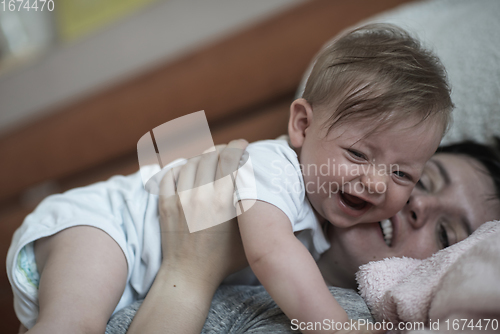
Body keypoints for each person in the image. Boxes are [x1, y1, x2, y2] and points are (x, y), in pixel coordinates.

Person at [8, 23, 453, 334]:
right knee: (73, 326)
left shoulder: (325, 224)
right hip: (104, 226)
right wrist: (333, 325)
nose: (376, 182)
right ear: (301, 126)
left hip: (132, 282)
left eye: (401, 173)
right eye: (357, 154)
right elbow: (269, 252)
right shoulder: (274, 168)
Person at [116, 137, 500, 334]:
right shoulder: (274, 186)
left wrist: (189, 270)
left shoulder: (343, 319)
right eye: (418, 178)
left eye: (446, 234)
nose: (418, 204)